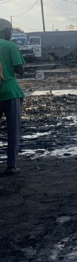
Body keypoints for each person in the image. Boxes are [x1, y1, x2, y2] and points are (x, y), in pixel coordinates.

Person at [0, 21, 24, 175]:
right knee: (13, 129)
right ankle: (11, 165)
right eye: (10, 30)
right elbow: (20, 70)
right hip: (10, 91)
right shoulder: (10, 46)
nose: (11, 34)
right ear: (4, 31)